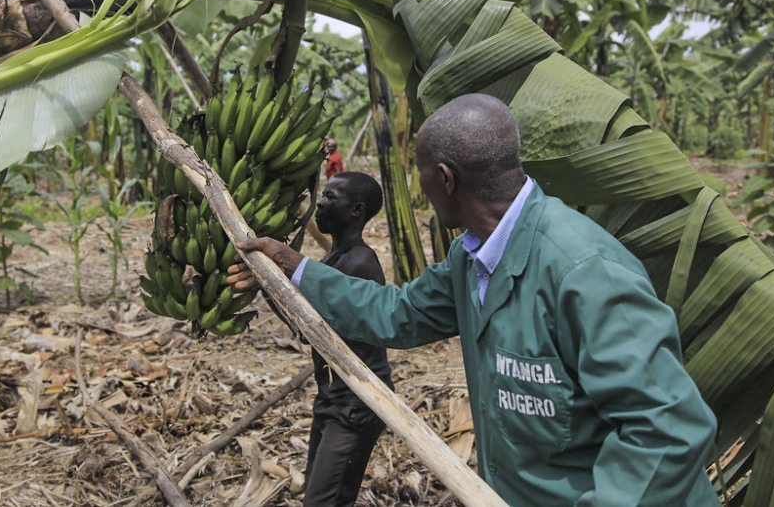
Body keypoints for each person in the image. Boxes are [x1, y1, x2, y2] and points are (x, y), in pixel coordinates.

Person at [228, 94, 720, 507]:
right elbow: (397, 313)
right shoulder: (472, 257)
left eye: (421, 174)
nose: (421, 188)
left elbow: (666, 431)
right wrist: (296, 267)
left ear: (446, 178)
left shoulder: (585, 271)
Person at [302, 171, 392, 507]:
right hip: (332, 397)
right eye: (321, 195)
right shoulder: (334, 257)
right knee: (320, 496)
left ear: (356, 210)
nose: (320, 204)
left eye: (330, 197)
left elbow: (307, 321)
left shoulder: (359, 263)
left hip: (357, 402)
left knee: (323, 501)